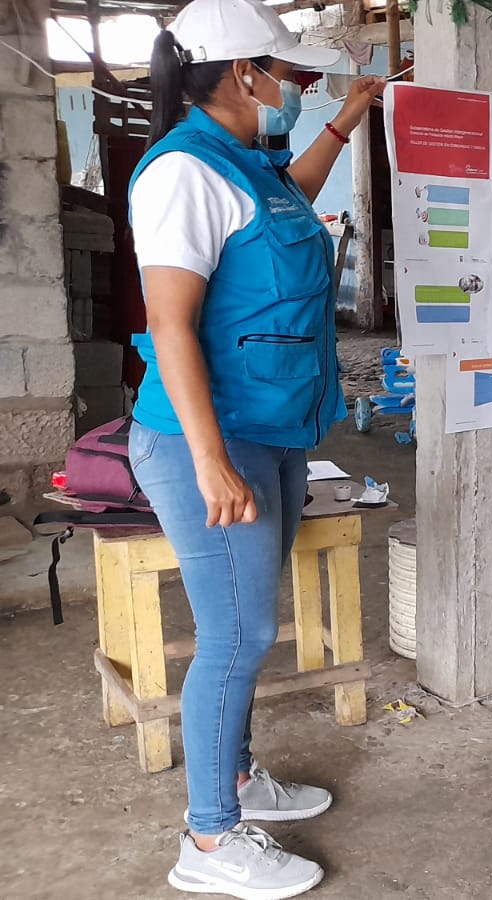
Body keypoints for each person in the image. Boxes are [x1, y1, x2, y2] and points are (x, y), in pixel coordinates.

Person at [124, 0, 384, 896]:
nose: (295, 89)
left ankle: (236, 780)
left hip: (270, 428)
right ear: (245, 73)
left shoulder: (245, 162)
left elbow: (288, 204)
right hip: (207, 437)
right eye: (290, 75)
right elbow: (170, 324)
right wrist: (209, 460)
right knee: (238, 634)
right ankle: (207, 841)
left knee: (246, 622)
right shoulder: (182, 172)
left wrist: (349, 117)